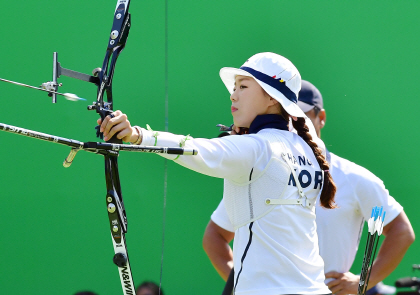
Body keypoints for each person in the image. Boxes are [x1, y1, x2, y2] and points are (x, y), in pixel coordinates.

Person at [98, 52, 337, 294]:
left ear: (272, 98)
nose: (233, 95)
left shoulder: (258, 147)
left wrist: (137, 135)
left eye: (243, 86)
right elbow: (298, 127)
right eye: (234, 88)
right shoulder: (310, 148)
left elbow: (197, 149)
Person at [203, 80, 415, 295]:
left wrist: (363, 281)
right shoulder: (259, 173)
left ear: (320, 118)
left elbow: (399, 229)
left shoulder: (354, 179)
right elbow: (215, 235)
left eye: (301, 116)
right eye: (286, 116)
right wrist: (245, 282)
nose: (294, 123)